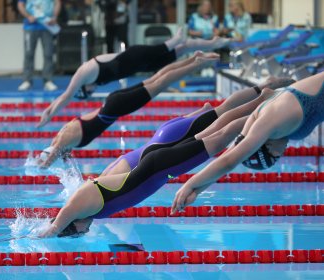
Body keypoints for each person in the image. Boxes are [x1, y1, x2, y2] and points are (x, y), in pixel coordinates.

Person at [38, 77, 295, 237]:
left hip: (161, 166)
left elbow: (65, 213)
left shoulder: (87, 203)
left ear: (73, 225)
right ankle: (262, 98)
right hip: (158, 151)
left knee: (221, 137)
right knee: (219, 122)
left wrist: (48, 231)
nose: (84, 234)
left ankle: (266, 111)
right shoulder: (96, 202)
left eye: (77, 233)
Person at [172, 72, 324, 213]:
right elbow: (230, 155)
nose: (282, 154)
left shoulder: (271, 123)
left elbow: (229, 161)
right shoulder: (260, 123)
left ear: (266, 145)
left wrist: (189, 185)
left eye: (275, 157)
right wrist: (197, 191)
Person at [38, 51, 220, 168]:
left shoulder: (64, 140)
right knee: (157, 78)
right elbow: (63, 156)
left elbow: (50, 160)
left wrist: (39, 166)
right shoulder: (65, 136)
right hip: (113, 102)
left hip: (117, 106)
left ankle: (198, 64)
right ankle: (193, 59)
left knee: (161, 82)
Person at [17, 0, 61, 91]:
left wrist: (54, 16)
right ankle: (27, 81)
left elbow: (57, 2)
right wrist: (28, 16)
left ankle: (48, 80)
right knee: (29, 54)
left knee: (48, 54)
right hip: (30, 27)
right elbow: (20, 4)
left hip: (47, 26)